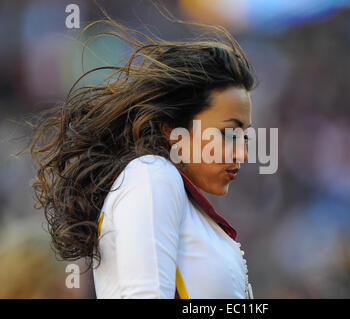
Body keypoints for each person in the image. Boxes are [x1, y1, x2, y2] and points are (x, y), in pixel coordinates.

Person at [26, 11, 257, 299]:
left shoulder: (171, 193)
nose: (243, 153)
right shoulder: (152, 176)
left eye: (244, 136)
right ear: (174, 131)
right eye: (229, 134)